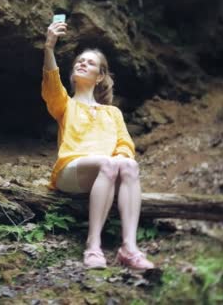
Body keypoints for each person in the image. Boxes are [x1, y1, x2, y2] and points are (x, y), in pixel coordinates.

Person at [42, 19, 155, 270]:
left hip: (106, 172)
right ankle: (93, 246)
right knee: (109, 162)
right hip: (71, 172)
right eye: (79, 61)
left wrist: (121, 161)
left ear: (100, 75)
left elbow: (125, 145)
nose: (82, 63)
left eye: (90, 62)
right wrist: (49, 47)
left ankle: (130, 249)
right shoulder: (65, 104)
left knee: (129, 165)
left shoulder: (112, 112)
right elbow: (51, 86)